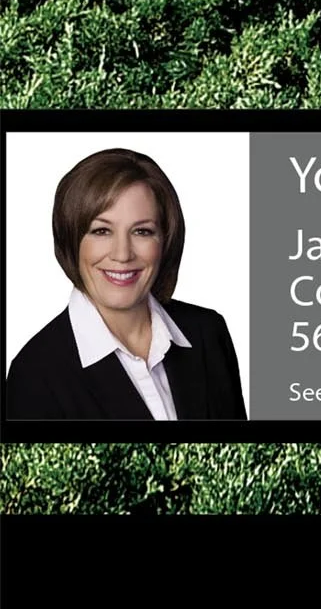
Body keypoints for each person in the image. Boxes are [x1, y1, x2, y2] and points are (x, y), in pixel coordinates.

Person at [5, 148, 246, 422]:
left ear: (165, 240)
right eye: (101, 231)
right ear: (72, 239)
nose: (122, 254)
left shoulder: (208, 333)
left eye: (142, 231)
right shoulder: (35, 374)